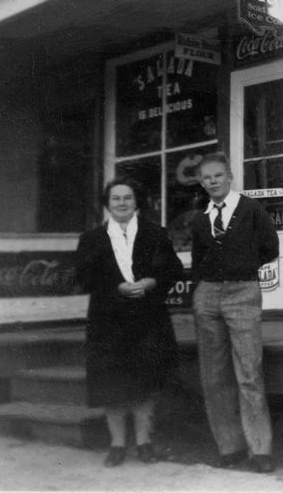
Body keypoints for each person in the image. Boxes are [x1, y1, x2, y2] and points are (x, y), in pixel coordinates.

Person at [74, 178, 183, 467]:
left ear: (136, 202)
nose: (122, 203)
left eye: (127, 197)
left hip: (147, 320)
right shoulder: (92, 239)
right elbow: (82, 278)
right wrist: (115, 287)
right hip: (108, 322)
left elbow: (173, 269)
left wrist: (151, 281)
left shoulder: (154, 234)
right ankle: (117, 444)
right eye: (116, 198)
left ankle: (145, 442)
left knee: (146, 382)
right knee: (112, 384)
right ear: (107, 204)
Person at [191, 152, 279, 473]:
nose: (213, 181)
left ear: (229, 176)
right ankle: (230, 447)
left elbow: (270, 247)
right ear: (201, 183)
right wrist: (200, 291)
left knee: (249, 370)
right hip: (208, 295)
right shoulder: (201, 218)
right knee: (214, 374)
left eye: (218, 175)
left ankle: (261, 449)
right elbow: (199, 257)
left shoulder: (251, 210)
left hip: (243, 293)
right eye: (206, 178)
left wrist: (242, 268)